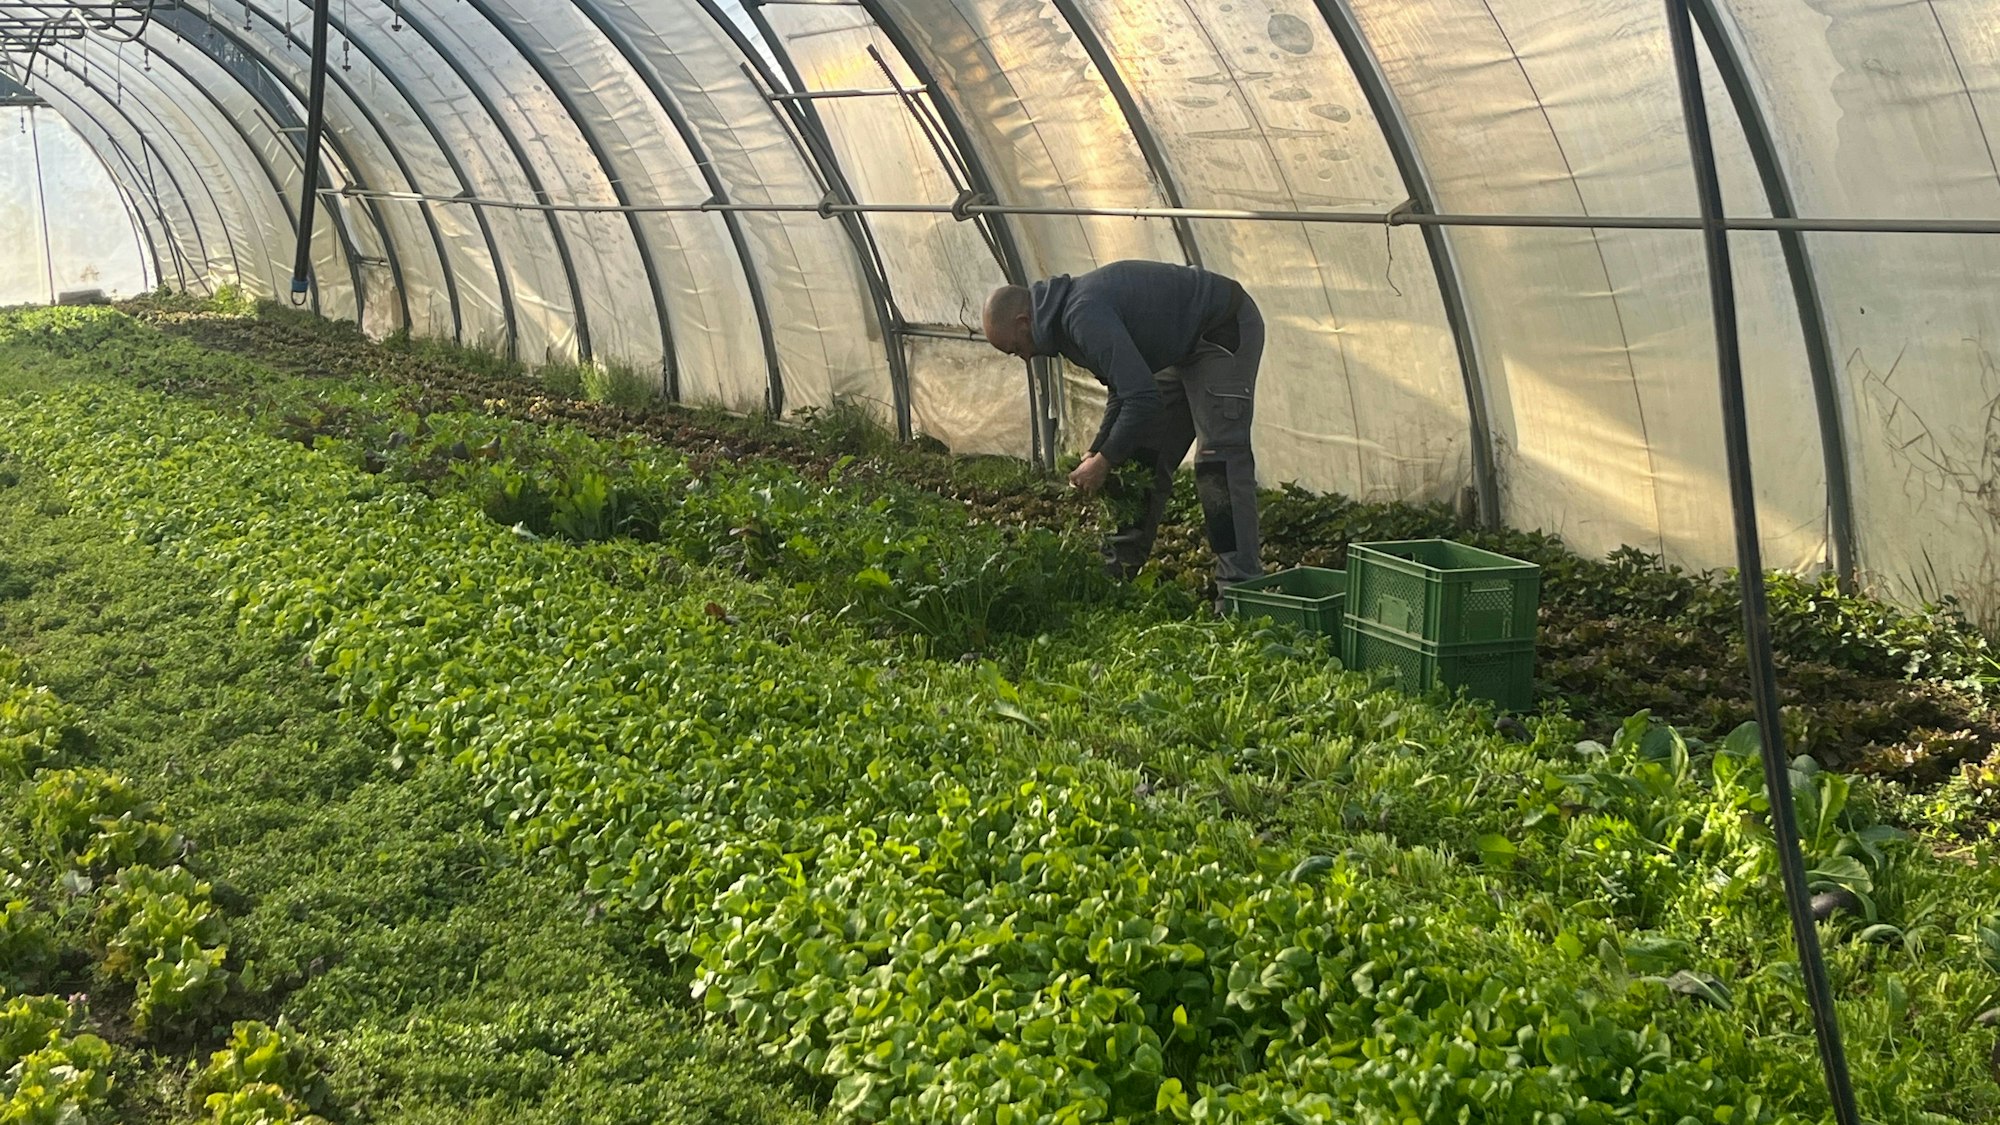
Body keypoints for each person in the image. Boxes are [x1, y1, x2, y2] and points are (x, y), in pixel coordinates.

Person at [982, 260, 1264, 598]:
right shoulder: (1064, 324)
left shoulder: (1081, 316)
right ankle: (1116, 574)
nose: (1026, 358)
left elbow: (1142, 398)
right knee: (1140, 457)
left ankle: (1240, 590)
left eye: (1016, 349)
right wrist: (1099, 449)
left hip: (1220, 329)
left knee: (1219, 463)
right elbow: (1123, 391)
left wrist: (1103, 461)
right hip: (1182, 346)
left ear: (1023, 321)